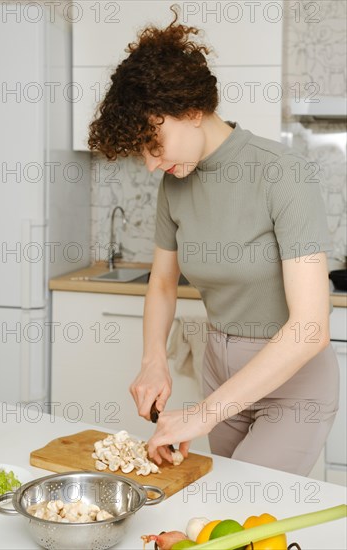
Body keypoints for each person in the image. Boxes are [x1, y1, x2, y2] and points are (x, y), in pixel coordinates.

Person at [88, 8, 339, 476]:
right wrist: (153, 361)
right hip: (219, 372)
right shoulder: (174, 182)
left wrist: (200, 415)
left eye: (153, 143)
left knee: (244, 511)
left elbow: (310, 328)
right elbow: (163, 284)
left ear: (193, 110)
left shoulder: (281, 172)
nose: (149, 163)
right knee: (216, 509)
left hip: (292, 385)